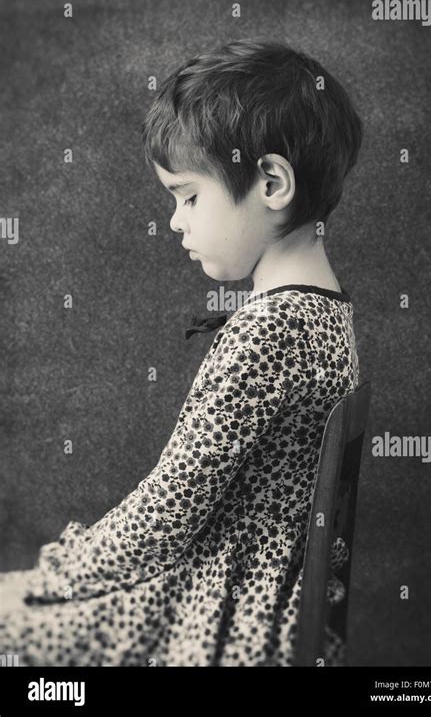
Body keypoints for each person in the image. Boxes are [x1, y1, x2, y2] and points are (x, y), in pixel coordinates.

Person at [0, 37, 362, 666]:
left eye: (189, 196)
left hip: (217, 616)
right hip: (266, 607)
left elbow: (161, 519)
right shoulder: (328, 315)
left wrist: (55, 574)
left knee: (7, 618)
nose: (175, 220)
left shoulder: (269, 334)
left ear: (271, 181)